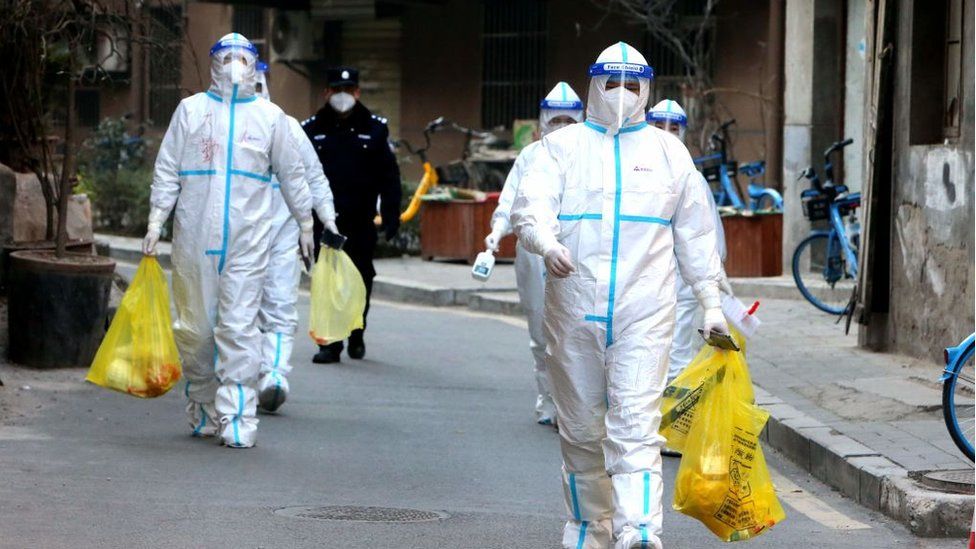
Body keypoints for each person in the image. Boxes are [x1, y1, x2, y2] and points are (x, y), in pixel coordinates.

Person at [511, 42, 729, 549]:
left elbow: (696, 235)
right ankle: (589, 527)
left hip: (644, 312)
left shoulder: (669, 153)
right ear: (594, 84)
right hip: (572, 310)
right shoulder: (559, 149)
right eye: (613, 84)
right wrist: (546, 243)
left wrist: (712, 304)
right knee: (583, 432)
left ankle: (640, 532)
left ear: (648, 90)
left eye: (634, 86)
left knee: (636, 425)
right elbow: (531, 206)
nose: (623, 96)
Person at [142, 33, 315, 448]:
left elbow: (292, 176)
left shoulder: (270, 118)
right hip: (194, 238)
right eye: (226, 57)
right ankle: (203, 402)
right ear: (214, 63)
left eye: (242, 57)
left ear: (254, 66)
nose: (234, 64)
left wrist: (306, 223)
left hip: (247, 241)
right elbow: (167, 169)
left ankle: (238, 418)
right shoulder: (191, 111)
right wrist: (155, 219)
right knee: (196, 330)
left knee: (238, 329)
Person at [484, 81, 584, 427]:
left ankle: (574, 405)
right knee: (540, 330)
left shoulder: (589, 157)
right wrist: (497, 232)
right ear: (543, 120)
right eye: (554, 121)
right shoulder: (530, 157)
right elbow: (512, 200)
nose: (560, 127)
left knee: (574, 330)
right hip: (533, 254)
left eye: (568, 121)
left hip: (573, 252)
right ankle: (549, 401)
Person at [252, 62, 338, 412]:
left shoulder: (286, 127)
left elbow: (314, 178)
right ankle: (240, 375)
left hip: (282, 233)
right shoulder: (217, 127)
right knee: (237, 309)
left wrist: (326, 220)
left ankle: (273, 374)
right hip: (232, 238)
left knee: (280, 304)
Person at [302, 66, 402, 364]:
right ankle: (331, 343)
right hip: (325, 220)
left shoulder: (375, 129)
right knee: (328, 280)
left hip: (360, 220)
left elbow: (389, 176)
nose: (342, 96)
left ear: (357, 93)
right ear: (326, 93)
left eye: (348, 90)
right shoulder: (311, 129)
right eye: (336, 90)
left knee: (362, 277)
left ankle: (356, 330)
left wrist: (392, 215)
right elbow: (299, 176)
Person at [646, 99, 729, 384]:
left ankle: (670, 420)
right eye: (658, 125)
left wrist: (714, 274)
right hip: (641, 280)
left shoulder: (691, 177)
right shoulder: (636, 175)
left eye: (673, 127)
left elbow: (707, 231)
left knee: (678, 350)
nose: (666, 132)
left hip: (682, 279)